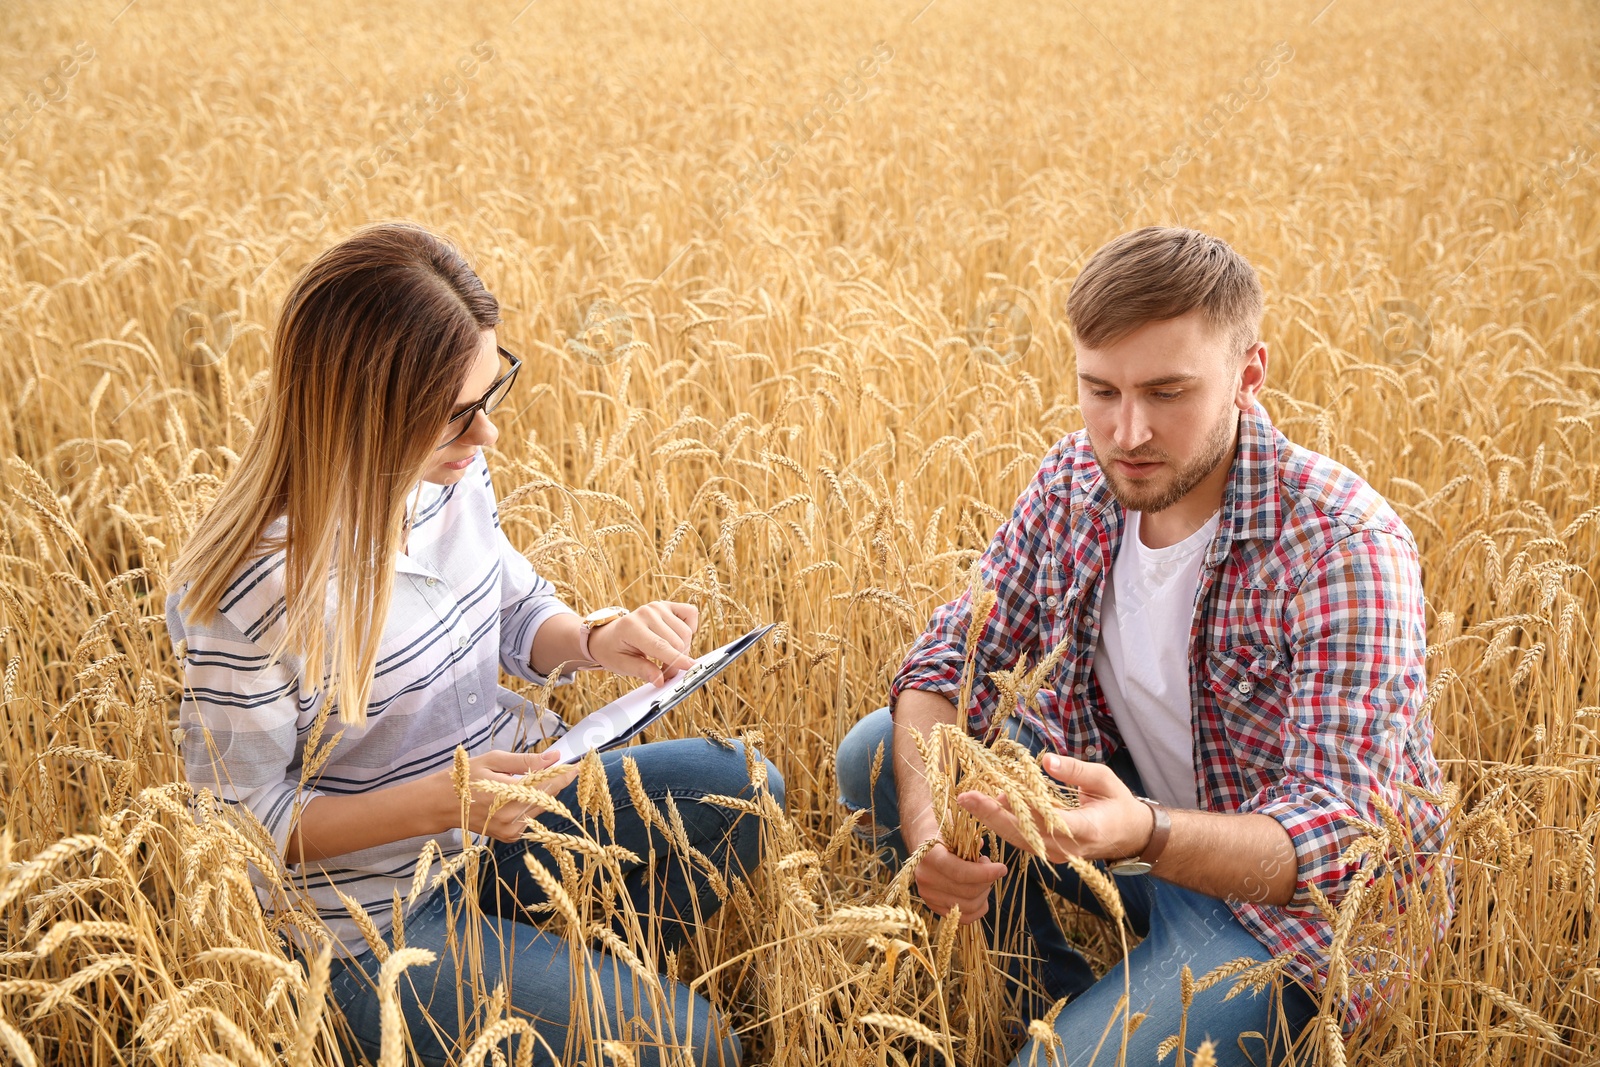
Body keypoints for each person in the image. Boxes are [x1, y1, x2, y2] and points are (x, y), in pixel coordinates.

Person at [164, 221, 780, 1067]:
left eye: (491, 394)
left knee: (746, 787)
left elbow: (515, 609)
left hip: (505, 817)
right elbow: (234, 826)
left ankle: (549, 991)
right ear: (363, 412)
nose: (486, 435)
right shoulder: (248, 590)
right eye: (457, 415)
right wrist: (446, 799)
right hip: (371, 918)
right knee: (693, 1047)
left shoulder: (444, 475)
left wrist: (602, 639)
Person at [835, 226, 1453, 1065]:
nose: (1127, 432)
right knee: (882, 756)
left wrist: (1146, 832)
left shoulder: (1341, 545)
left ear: (1248, 376)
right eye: (1101, 390)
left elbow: (1337, 836)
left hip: (1289, 916)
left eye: (1167, 393)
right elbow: (949, 660)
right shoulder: (1075, 481)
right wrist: (925, 829)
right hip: (1124, 826)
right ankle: (1050, 1002)